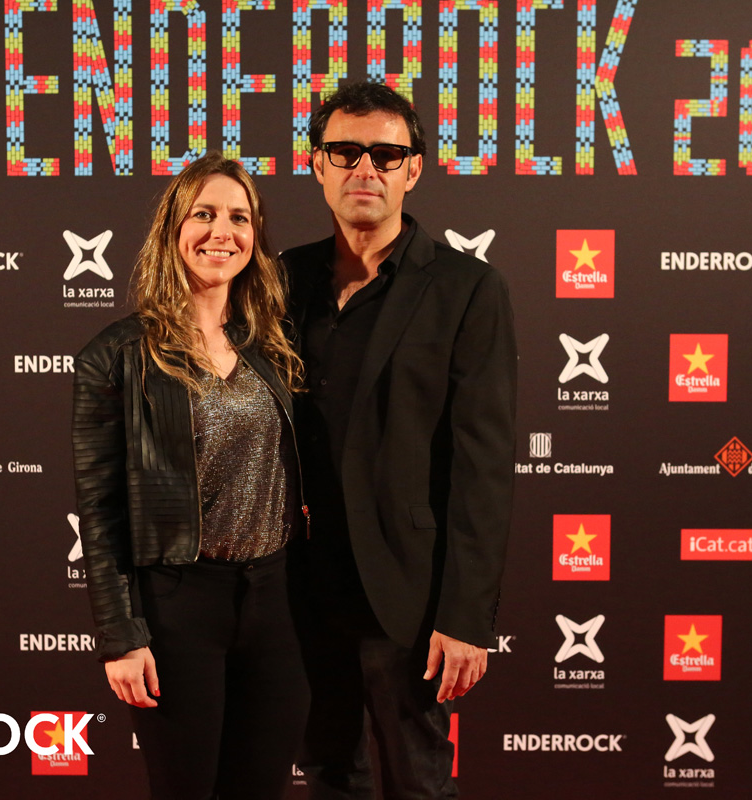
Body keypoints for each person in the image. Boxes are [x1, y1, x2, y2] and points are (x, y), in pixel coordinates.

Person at [282, 82, 517, 798]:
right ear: (317, 165)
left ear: (413, 169)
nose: (365, 169)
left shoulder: (466, 288)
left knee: (418, 782)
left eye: (385, 155)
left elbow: (483, 466)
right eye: (345, 152)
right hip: (298, 584)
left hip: (406, 591)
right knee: (327, 774)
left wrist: (466, 617)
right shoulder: (280, 279)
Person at [72, 152, 309, 800]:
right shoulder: (116, 357)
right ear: (173, 228)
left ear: (255, 236)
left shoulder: (277, 344)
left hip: (278, 604)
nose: (221, 232)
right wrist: (121, 637)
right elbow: (100, 511)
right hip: (178, 606)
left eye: (239, 218)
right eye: (203, 215)